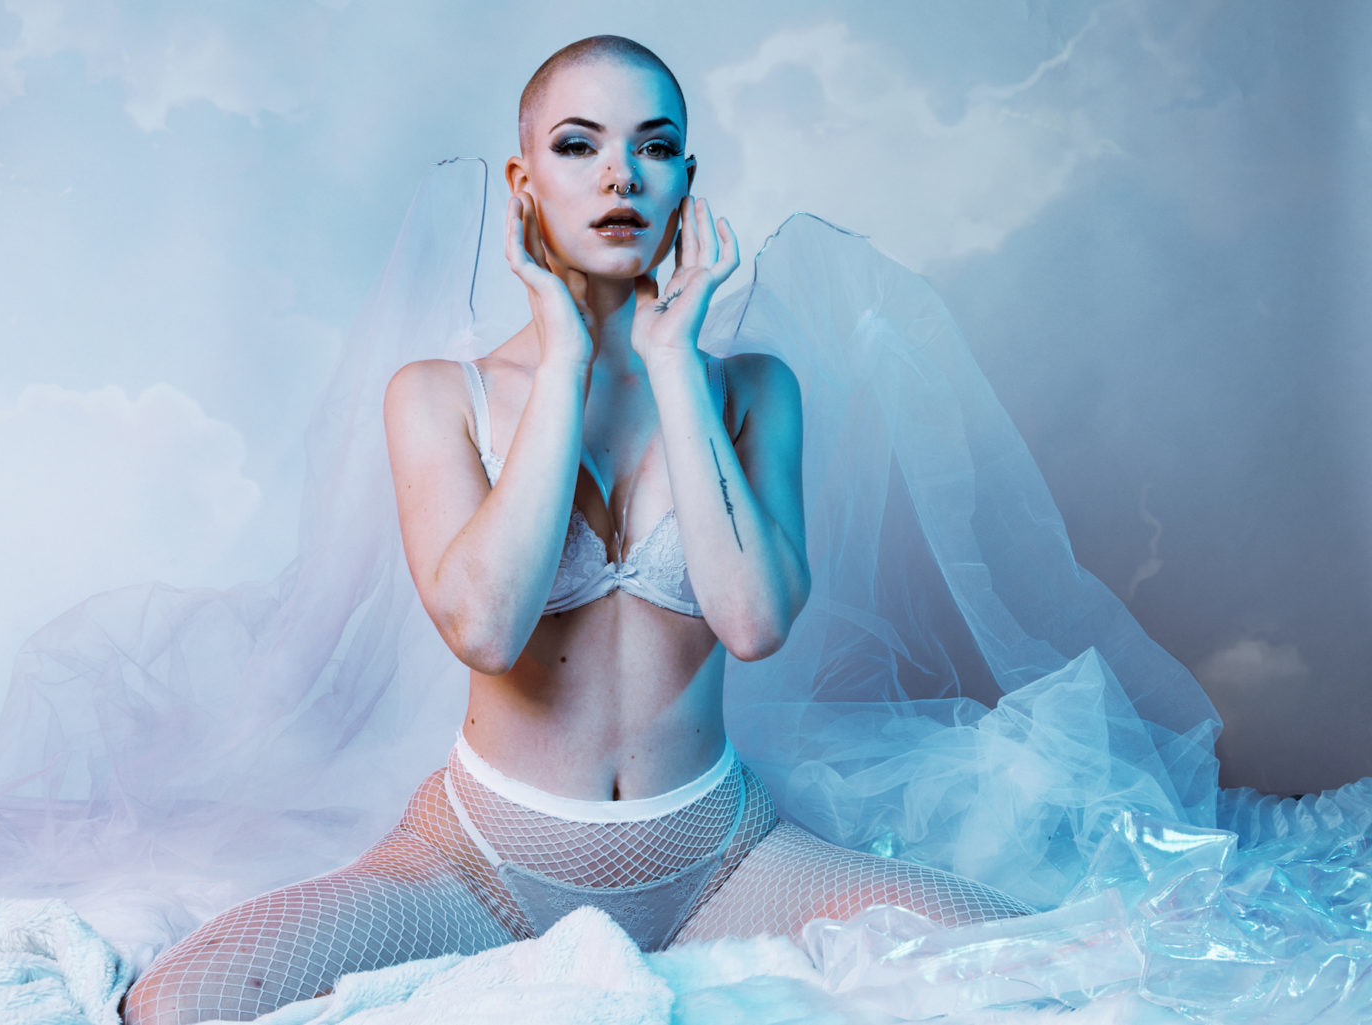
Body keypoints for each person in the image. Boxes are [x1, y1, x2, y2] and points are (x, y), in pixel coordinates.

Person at [122, 34, 1033, 1025]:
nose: (620, 175)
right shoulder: (439, 396)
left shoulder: (753, 390)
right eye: (578, 145)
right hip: (481, 862)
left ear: (687, 180)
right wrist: (563, 355)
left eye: (655, 147)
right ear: (524, 182)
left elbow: (753, 621)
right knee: (176, 1004)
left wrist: (675, 362)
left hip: (720, 858)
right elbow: (486, 629)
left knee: (1039, 967)